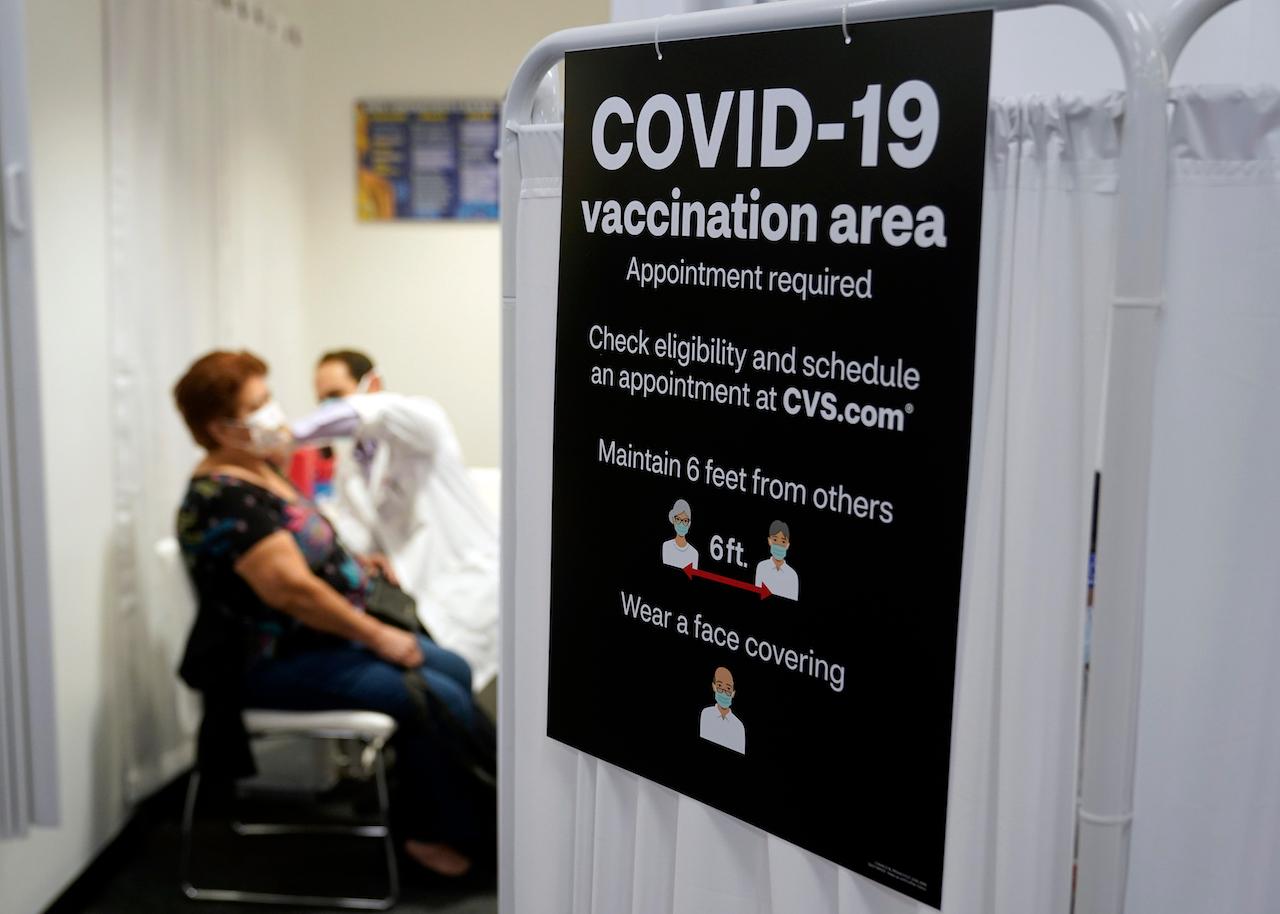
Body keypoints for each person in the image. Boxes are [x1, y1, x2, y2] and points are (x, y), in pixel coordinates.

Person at [173, 350, 491, 879]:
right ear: (219, 428)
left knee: (452, 668)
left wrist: (355, 564)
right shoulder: (223, 498)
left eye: (268, 396)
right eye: (256, 405)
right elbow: (292, 592)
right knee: (430, 695)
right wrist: (377, 636)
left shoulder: (259, 470)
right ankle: (432, 835)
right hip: (270, 660)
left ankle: (467, 810)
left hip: (321, 639)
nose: (272, 411)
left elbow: (308, 545)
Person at [289, 350, 499, 690]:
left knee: (446, 685)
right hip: (414, 597)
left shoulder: (421, 421)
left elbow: (374, 413)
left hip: (468, 584)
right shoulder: (351, 464)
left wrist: (290, 434)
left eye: (336, 396)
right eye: (321, 399)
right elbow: (357, 534)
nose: (328, 408)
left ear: (373, 384)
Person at [699, 666, 745, 754]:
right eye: (720, 686)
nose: (724, 692)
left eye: (728, 688)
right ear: (714, 686)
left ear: (733, 693)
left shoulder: (739, 726)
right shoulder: (706, 714)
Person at [754, 520, 799, 601]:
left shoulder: (792, 575)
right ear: (769, 541)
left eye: (783, 541)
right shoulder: (762, 567)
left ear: (787, 545)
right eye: (775, 540)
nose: (779, 544)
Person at [661, 498, 699, 569]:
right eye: (678, 519)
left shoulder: (694, 553)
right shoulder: (666, 546)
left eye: (685, 521)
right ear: (673, 520)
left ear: (689, 524)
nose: (681, 524)